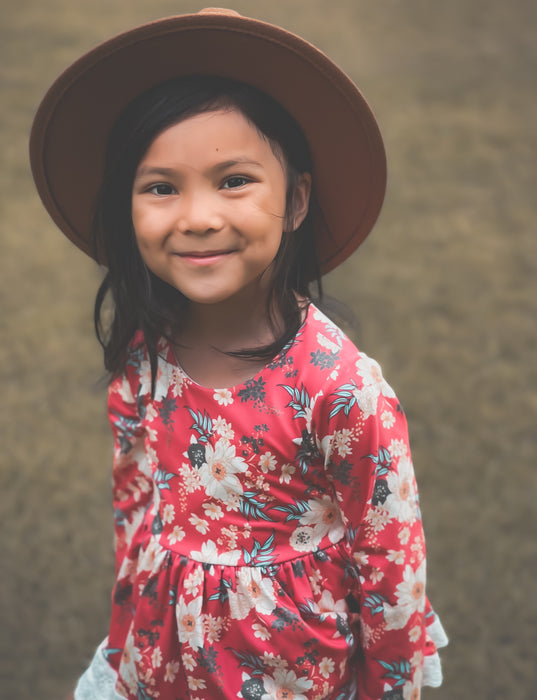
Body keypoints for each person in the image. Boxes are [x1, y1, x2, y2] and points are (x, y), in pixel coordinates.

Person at [30, 9, 447, 700]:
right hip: (162, 659)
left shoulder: (338, 387)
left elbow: (391, 565)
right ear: (125, 210)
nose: (197, 216)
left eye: (233, 181)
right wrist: (125, 634)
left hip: (290, 674)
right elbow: (138, 503)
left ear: (295, 200)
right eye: (161, 187)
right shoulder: (146, 352)